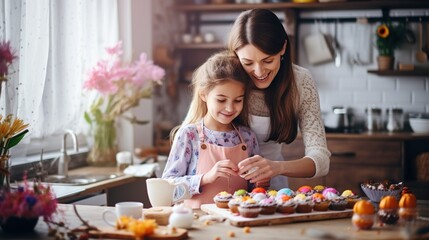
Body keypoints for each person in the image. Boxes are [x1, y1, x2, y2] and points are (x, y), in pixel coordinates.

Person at [227, 9, 331, 190]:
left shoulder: (300, 81)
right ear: (236, 55)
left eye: (268, 61)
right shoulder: (224, 78)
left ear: (283, 48)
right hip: (225, 184)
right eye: (248, 63)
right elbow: (191, 135)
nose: (259, 72)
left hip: (273, 184)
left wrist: (277, 167)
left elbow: (321, 160)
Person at [162, 51, 260, 208]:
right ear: (204, 95)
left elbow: (253, 191)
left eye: (238, 100)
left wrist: (260, 183)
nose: (230, 108)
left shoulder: (248, 137)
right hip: (197, 221)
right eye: (221, 100)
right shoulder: (189, 135)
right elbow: (166, 187)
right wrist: (205, 178)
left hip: (236, 223)